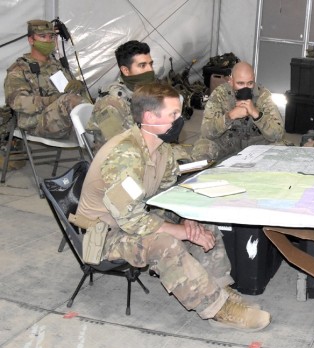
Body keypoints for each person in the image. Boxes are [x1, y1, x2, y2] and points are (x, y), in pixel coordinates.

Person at [72, 83, 271, 331]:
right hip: (104, 236)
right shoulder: (125, 155)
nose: (179, 121)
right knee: (165, 243)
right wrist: (179, 231)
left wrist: (187, 220)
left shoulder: (161, 149)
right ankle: (218, 310)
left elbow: (167, 194)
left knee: (201, 219)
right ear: (148, 117)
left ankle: (219, 288)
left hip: (136, 218)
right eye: (173, 115)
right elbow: (130, 220)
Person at [4, 19, 90, 138]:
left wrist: (78, 86)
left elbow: (73, 93)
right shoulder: (19, 69)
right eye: (43, 36)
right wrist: (52, 100)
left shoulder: (57, 65)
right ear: (31, 40)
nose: (48, 40)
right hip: (38, 123)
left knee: (106, 103)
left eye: (51, 37)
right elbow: (18, 102)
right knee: (71, 101)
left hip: (66, 117)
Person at [191, 61, 286, 162]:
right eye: (240, 83)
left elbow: (278, 134)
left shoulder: (263, 95)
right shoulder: (220, 94)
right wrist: (230, 116)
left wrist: (256, 115)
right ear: (231, 81)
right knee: (202, 149)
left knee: (281, 149)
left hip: (256, 146)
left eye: (250, 83)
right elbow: (206, 132)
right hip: (227, 145)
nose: (245, 88)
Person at [86, 40, 157, 149]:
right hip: (119, 158)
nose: (150, 70)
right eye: (142, 65)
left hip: (143, 144)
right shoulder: (111, 103)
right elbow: (119, 146)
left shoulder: (142, 90)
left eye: (150, 64)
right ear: (125, 70)